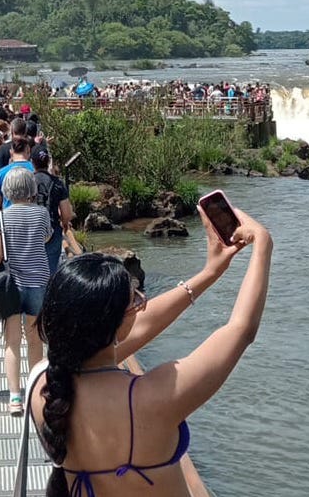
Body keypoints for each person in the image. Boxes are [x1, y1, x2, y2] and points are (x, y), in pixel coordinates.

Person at [30, 205, 272, 497]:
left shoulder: (43, 386)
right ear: (113, 325)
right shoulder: (152, 397)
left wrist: (210, 273)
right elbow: (241, 329)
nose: (142, 305)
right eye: (135, 301)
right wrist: (263, 244)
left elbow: (139, 326)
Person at [0, 166, 52, 415]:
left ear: (7, 190)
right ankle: (35, 391)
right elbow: (46, 238)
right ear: (31, 188)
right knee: (35, 339)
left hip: (11, 286)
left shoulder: (1, 217)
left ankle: (14, 397)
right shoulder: (42, 213)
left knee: (12, 342)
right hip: (38, 281)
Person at [31, 146, 74, 274]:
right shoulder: (58, 183)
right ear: (48, 161)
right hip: (52, 230)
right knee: (51, 270)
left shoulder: (28, 181)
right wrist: (65, 225)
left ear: (32, 162)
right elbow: (66, 214)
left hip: (31, 231)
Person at [0, 137, 33, 209]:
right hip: (32, 212)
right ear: (28, 150)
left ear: (11, 152)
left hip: (9, 212)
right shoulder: (35, 170)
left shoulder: (1, 172)